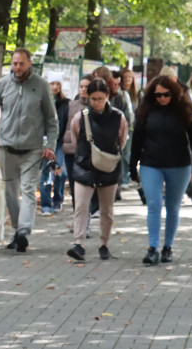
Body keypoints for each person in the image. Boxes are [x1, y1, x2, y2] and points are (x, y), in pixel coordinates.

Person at [0, 48, 58, 252]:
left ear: (30, 63)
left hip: (33, 150)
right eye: (14, 63)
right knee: (11, 194)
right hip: (7, 148)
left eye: (21, 63)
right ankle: (17, 229)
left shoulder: (41, 86)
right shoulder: (3, 84)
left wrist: (50, 146)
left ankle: (23, 232)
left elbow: (51, 120)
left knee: (28, 190)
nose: (17, 67)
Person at [129, 75, 192, 265]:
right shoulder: (146, 111)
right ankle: (152, 247)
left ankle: (168, 247)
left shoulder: (184, 111)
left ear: (174, 93)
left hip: (179, 164)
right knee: (154, 204)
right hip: (150, 163)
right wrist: (132, 165)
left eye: (166, 94)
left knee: (173, 206)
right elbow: (137, 139)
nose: (161, 98)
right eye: (157, 95)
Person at [66, 78, 128, 262]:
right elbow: (76, 138)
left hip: (108, 167)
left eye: (100, 98)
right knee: (81, 206)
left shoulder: (118, 117)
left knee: (107, 209)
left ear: (108, 97)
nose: (97, 103)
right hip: (84, 166)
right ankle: (79, 243)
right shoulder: (81, 116)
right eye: (93, 99)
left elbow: (122, 141)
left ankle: (104, 244)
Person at [93, 67, 134, 195]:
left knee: (116, 162)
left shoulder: (120, 98)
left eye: (117, 84)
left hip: (113, 138)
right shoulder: (89, 96)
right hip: (95, 138)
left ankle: (115, 187)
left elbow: (126, 119)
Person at [40, 77, 70, 215]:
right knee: (46, 172)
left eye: (58, 84)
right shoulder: (41, 101)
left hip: (60, 142)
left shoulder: (65, 103)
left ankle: (57, 199)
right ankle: (46, 204)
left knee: (60, 172)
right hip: (45, 140)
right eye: (52, 83)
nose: (55, 86)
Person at [62, 75, 91, 209]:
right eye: (81, 86)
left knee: (88, 184)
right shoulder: (71, 105)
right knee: (74, 185)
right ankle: (77, 214)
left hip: (90, 152)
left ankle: (89, 212)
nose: (83, 89)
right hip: (71, 151)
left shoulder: (96, 106)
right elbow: (63, 127)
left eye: (87, 86)